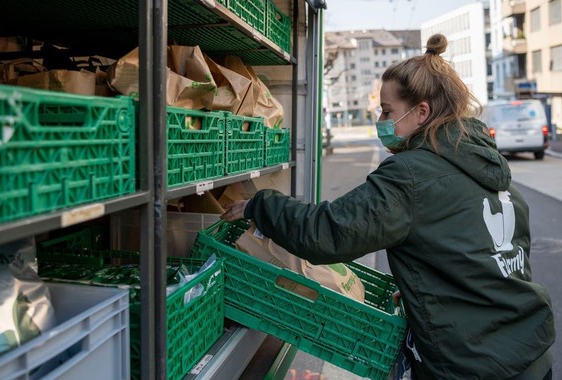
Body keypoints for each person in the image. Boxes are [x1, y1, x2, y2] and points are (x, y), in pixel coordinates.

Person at [221, 34, 555, 379]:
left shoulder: (412, 174)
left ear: (421, 111)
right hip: (529, 352)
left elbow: (329, 232)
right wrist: (427, 287)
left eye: (387, 111)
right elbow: (493, 260)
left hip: (470, 366)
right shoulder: (493, 172)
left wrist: (260, 204)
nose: (380, 119)